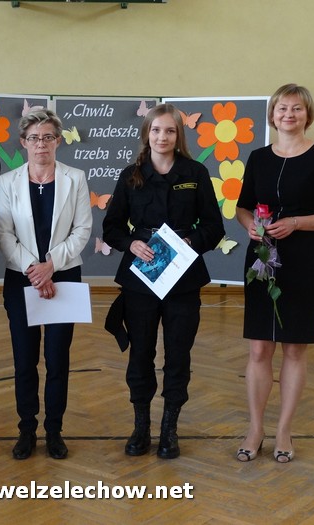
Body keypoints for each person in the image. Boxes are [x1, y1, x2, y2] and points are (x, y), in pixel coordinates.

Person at [235, 84, 314, 463]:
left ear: (307, 115)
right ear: (272, 115)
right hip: (262, 258)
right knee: (258, 348)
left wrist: (297, 222)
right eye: (282, 108)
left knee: (295, 348)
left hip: (306, 260)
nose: (289, 114)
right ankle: (255, 428)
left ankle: (284, 430)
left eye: (297, 108)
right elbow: (243, 207)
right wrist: (250, 226)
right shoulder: (258, 157)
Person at [102, 103, 224, 459]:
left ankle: (170, 430)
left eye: (170, 130)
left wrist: (191, 242)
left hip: (183, 276)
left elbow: (214, 227)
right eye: (156, 130)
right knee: (140, 352)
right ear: (147, 134)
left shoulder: (195, 173)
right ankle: (141, 427)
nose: (162, 136)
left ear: (178, 135)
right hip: (141, 277)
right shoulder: (131, 175)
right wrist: (131, 244)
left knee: (178, 353)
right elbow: (111, 228)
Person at [0, 109, 92, 460]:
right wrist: (34, 270)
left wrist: (51, 265)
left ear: (58, 141)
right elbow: (3, 232)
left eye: (48, 137)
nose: (41, 144)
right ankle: (26, 430)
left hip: (63, 274)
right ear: (23, 142)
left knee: (57, 359)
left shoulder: (75, 178)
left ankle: (54, 431)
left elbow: (82, 229)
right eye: (34, 138)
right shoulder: (7, 182)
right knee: (24, 360)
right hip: (21, 277)